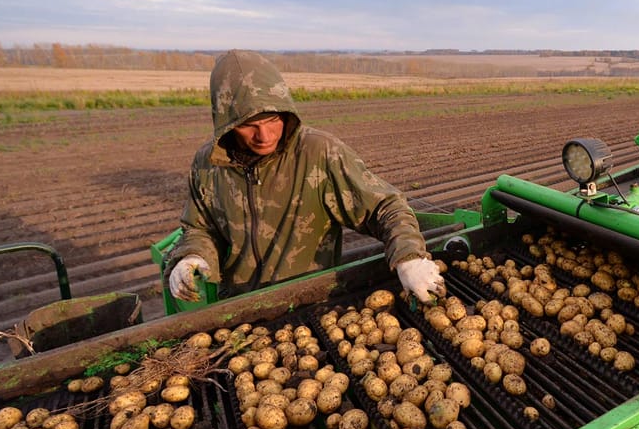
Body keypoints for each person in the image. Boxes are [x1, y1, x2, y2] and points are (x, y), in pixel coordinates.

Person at [165, 49, 443, 304]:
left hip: (310, 301)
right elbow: (200, 228)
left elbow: (384, 207)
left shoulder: (318, 154)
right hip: (239, 306)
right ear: (226, 123)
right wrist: (192, 255)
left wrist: (409, 257)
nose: (264, 136)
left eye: (273, 120)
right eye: (249, 125)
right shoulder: (208, 164)